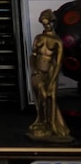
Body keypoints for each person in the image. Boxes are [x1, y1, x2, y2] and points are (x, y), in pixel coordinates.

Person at [28, 9, 71, 140]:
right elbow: (33, 56)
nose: (46, 26)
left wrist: (52, 80)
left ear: (52, 23)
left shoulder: (57, 41)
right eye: (44, 23)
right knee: (40, 98)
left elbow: (58, 63)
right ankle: (41, 121)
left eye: (48, 23)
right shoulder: (39, 38)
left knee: (49, 98)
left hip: (50, 72)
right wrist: (35, 69)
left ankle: (51, 124)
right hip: (38, 72)